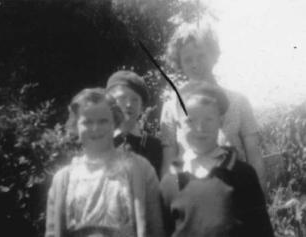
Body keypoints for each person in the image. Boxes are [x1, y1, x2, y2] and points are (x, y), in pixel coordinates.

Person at [45, 88, 164, 237]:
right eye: (87, 122)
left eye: (103, 121)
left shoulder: (140, 169)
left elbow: (156, 230)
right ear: (76, 125)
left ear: (114, 122)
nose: (95, 128)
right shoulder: (62, 179)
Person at [160, 23, 266, 189]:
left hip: (237, 191)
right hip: (191, 195)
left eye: (201, 56)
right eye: (188, 59)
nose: (195, 64)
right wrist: (171, 200)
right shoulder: (172, 106)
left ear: (213, 55)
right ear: (180, 64)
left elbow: (254, 155)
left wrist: (260, 197)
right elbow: (171, 161)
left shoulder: (239, 101)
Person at [160, 83, 274, 237]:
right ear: (180, 124)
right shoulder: (170, 181)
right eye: (190, 121)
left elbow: (261, 230)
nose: (200, 128)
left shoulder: (242, 173)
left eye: (208, 119)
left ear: (220, 123)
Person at [106, 70, 163, 178]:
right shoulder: (99, 142)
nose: (128, 104)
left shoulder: (156, 147)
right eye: (122, 98)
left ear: (141, 107)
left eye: (135, 100)